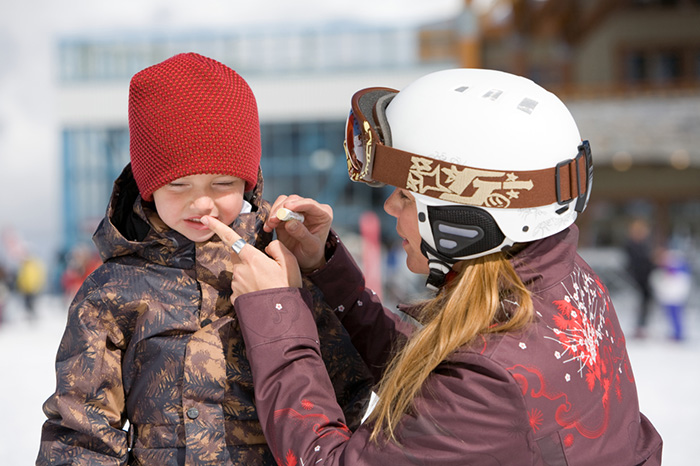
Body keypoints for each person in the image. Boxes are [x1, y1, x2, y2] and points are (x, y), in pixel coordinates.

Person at [203, 69, 663, 465]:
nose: (388, 207)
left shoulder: (491, 381)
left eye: (404, 195)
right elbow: (437, 377)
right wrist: (327, 269)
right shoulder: (557, 279)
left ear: (465, 221)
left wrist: (275, 313)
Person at [37, 53, 372, 465]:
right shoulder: (114, 288)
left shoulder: (278, 260)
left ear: (247, 182)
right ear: (148, 185)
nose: (201, 202)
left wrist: (307, 276)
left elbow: (346, 391)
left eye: (223, 183)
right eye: (177, 184)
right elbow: (81, 429)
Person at [624, 218, 656, 339]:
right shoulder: (632, 245)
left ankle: (642, 326)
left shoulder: (644, 244)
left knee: (645, 302)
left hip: (646, 277)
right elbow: (639, 262)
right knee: (640, 302)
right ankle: (638, 327)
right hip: (637, 278)